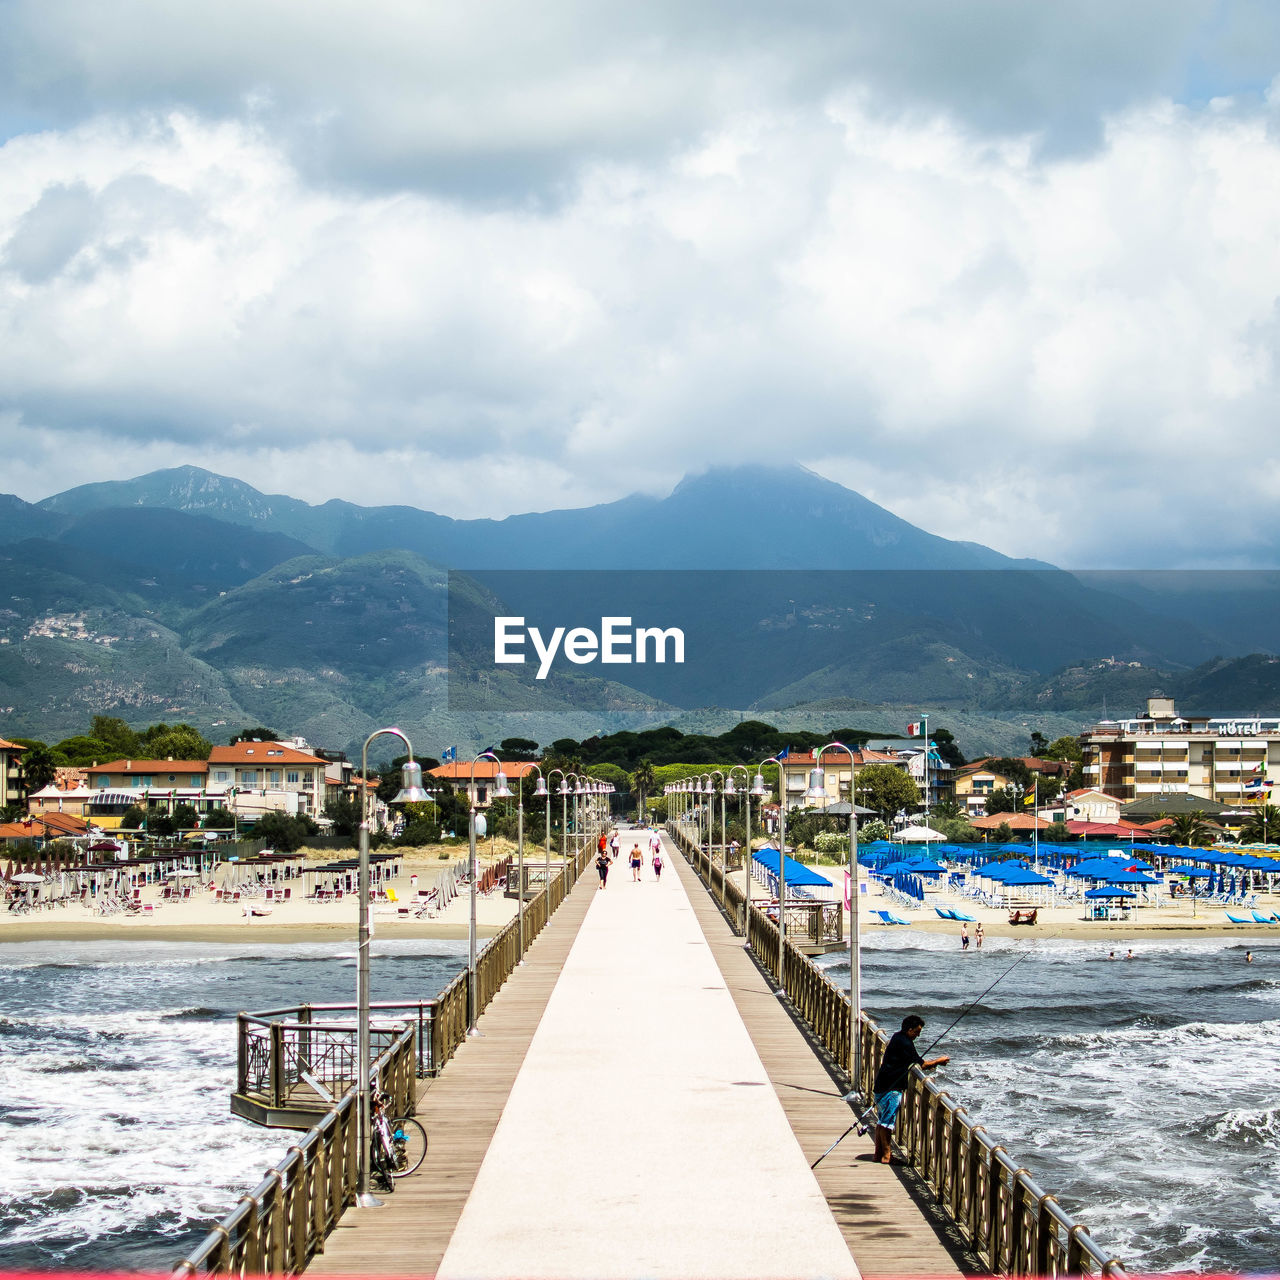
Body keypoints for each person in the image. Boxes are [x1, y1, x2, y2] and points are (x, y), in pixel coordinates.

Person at [872, 1015, 949, 1163]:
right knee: (887, 1122)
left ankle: (878, 1154)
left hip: (881, 1084)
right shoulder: (906, 1043)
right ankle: (886, 1156)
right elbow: (923, 1064)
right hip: (892, 1088)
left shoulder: (896, 1037)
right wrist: (939, 1061)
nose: (918, 1035)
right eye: (916, 1032)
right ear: (909, 1029)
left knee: (881, 1121)